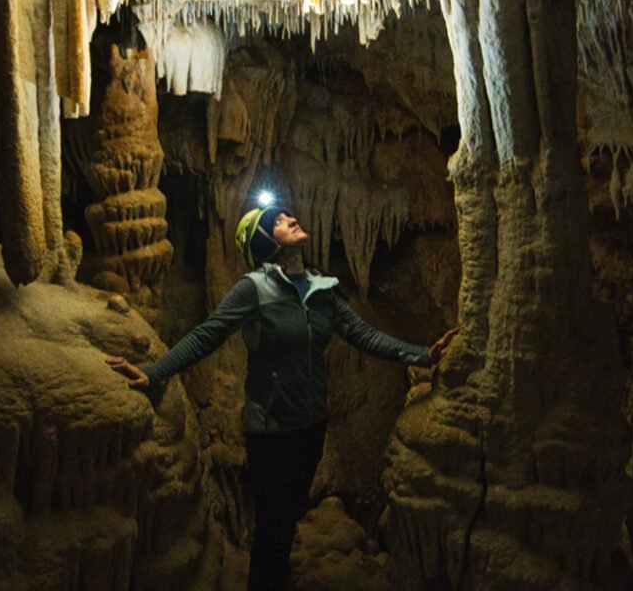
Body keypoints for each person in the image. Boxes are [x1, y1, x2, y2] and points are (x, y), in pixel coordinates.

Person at [106, 203, 458, 591]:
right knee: (272, 526)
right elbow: (208, 334)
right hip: (271, 430)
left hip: (311, 427)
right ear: (264, 243)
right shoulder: (254, 289)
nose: (291, 219)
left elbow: (365, 335)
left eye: (288, 216)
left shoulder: (322, 290)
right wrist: (154, 373)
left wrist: (423, 354)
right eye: (278, 221)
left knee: (287, 518)